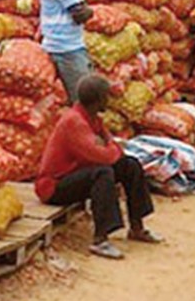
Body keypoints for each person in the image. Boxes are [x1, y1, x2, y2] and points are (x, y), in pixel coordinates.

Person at [36, 75, 162, 259]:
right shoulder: (74, 121)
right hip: (54, 186)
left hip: (75, 173)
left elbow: (111, 145)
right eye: (106, 97)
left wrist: (108, 146)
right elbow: (103, 155)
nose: (109, 101)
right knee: (103, 173)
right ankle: (100, 239)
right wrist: (108, 147)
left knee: (130, 165)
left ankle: (137, 226)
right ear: (98, 100)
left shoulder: (93, 118)